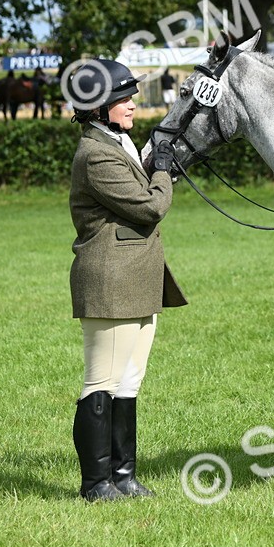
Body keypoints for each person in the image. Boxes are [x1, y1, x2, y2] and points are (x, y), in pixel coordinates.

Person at [67, 59, 186, 501]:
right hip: (110, 280)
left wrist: (153, 162)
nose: (132, 103)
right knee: (100, 382)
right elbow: (150, 207)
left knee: (128, 382)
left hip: (136, 278)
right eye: (122, 97)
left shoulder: (118, 143)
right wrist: (163, 171)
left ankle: (123, 476)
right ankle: (96, 484)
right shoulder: (96, 154)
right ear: (97, 107)